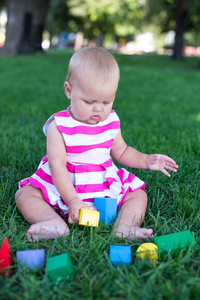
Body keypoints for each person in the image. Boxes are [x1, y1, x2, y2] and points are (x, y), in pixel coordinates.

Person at [15, 47, 178, 242]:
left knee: (138, 195)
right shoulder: (59, 126)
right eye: (88, 101)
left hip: (101, 183)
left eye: (106, 101)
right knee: (25, 194)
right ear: (68, 90)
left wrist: (146, 160)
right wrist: (73, 200)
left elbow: (123, 151)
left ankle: (125, 227)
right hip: (65, 184)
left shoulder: (111, 121)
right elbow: (56, 164)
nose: (98, 109)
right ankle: (53, 222)